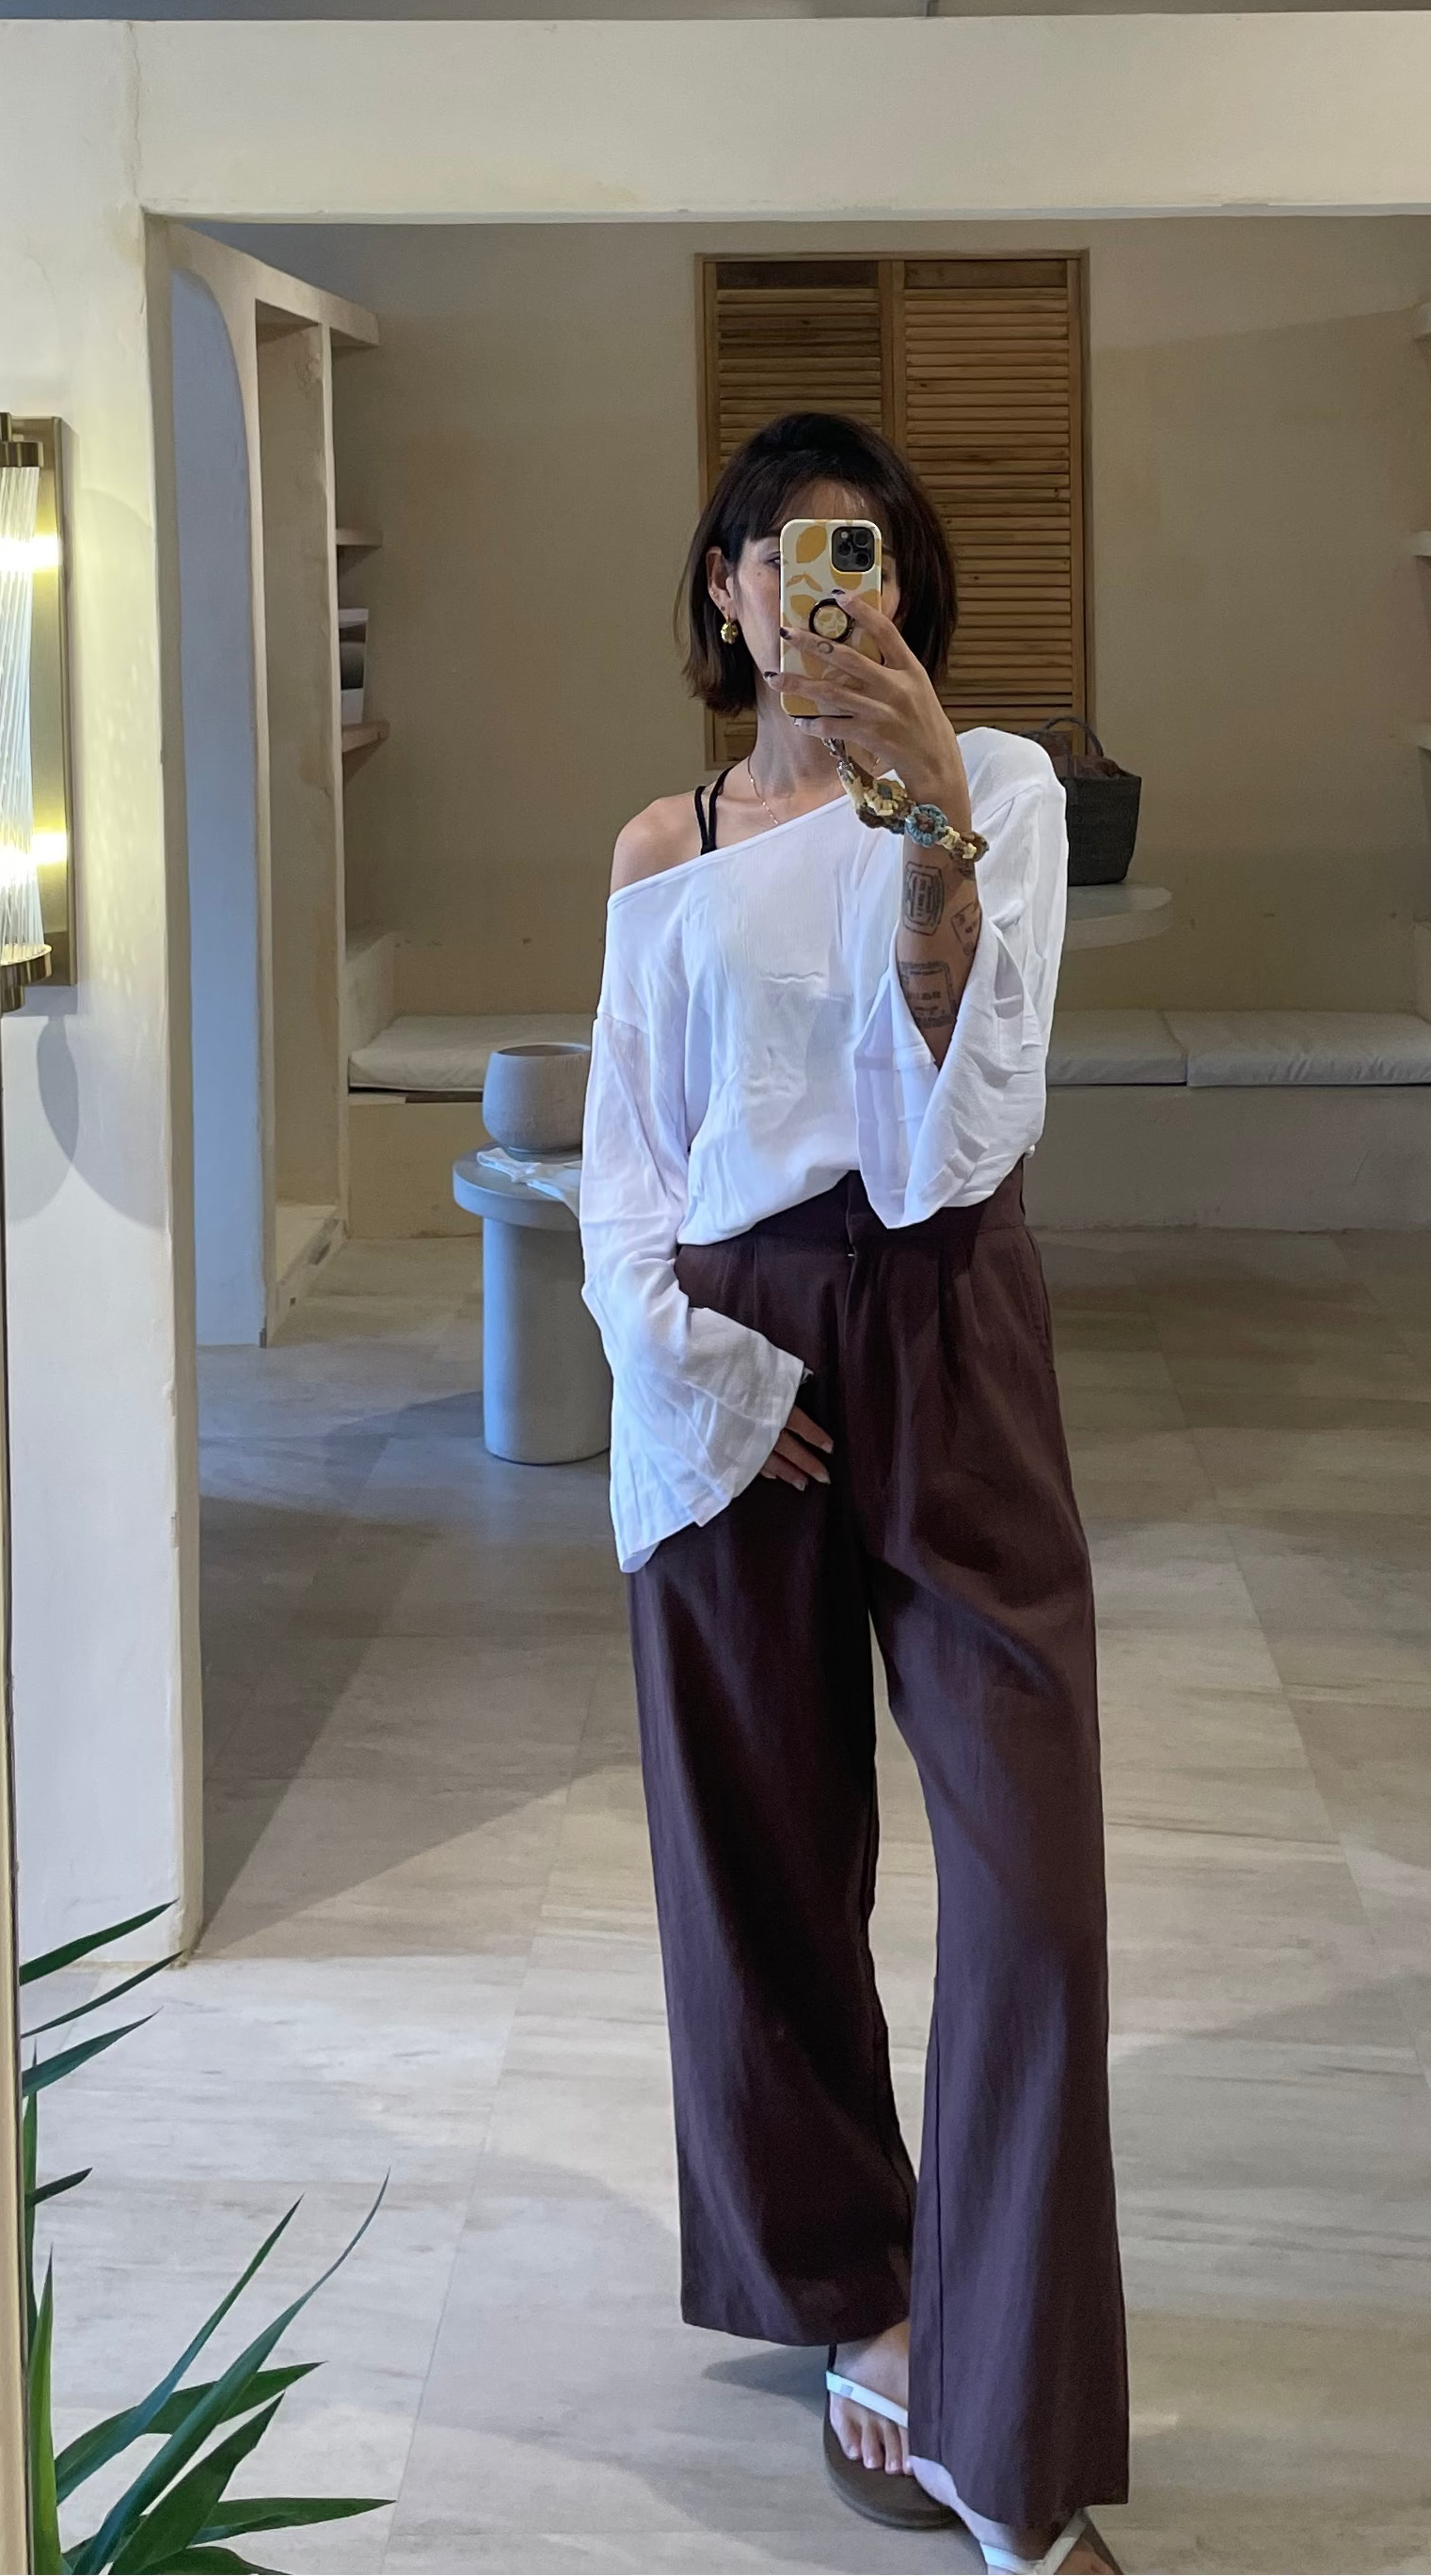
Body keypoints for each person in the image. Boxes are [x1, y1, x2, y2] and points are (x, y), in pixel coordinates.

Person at [580, 411, 1128, 2576]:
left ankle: (1011, 2418)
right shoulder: (664, 842)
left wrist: (924, 829)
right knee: (759, 1855)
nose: (823, 584)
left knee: (1032, 1879)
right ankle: (858, 2291)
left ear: (899, 588)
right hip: (739, 1339)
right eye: (783, 551)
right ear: (724, 590)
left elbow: (958, 1127)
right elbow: (631, 1147)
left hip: (943, 1312)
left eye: (864, 552)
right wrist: (692, 1358)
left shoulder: (995, 785)